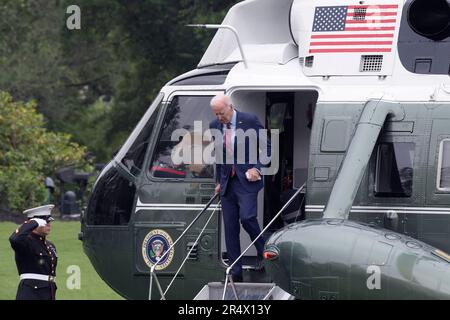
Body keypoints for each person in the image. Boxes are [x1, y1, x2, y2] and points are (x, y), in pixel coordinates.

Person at [209, 94, 270, 282]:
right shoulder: (215, 125)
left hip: (248, 181)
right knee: (230, 227)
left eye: (222, 113)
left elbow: (268, 147)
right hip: (228, 183)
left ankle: (264, 252)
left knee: (247, 217)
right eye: (216, 114)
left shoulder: (249, 120)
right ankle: (236, 272)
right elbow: (219, 155)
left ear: (231, 107)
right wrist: (219, 181)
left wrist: (257, 168)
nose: (220, 117)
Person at [9, 204, 58, 300]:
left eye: (49, 221)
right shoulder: (25, 242)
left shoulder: (50, 245)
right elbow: (14, 239)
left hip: (48, 292)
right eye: (45, 222)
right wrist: (33, 223)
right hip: (31, 293)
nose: (48, 224)